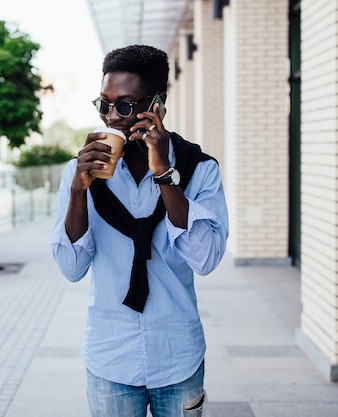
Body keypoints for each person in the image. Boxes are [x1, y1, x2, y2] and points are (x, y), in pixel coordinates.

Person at [46, 44, 229, 417]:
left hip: (178, 353)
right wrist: (79, 192)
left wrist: (164, 172)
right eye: (104, 104)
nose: (112, 117)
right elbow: (71, 267)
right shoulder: (80, 171)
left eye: (125, 105)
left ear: (157, 104)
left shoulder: (199, 168)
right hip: (110, 355)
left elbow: (206, 258)